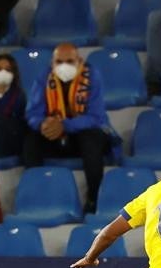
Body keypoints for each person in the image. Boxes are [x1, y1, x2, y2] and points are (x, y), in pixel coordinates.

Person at [23, 44, 111, 211]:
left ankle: (94, 199)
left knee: (91, 138)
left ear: (79, 61)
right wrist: (43, 124)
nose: (64, 66)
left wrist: (64, 125)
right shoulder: (44, 77)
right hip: (53, 136)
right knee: (31, 140)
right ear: (52, 63)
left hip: (82, 137)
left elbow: (96, 117)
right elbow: (32, 113)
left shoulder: (92, 77)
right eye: (59, 61)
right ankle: (37, 197)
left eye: (70, 61)